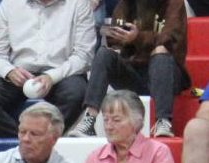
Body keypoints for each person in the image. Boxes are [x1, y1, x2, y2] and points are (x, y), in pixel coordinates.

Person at [65, 0, 189, 139]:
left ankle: (163, 121)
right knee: (104, 53)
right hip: (136, 72)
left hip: (168, 74)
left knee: (161, 53)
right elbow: (114, 38)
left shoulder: (174, 3)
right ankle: (90, 118)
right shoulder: (126, 3)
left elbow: (170, 40)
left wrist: (138, 37)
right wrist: (117, 36)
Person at [0, 0, 94, 137]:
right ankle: (24, 138)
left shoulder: (79, 4)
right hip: (19, 71)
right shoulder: (9, 4)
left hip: (61, 72)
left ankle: (45, 139)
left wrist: (52, 76)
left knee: (76, 94)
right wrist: (9, 71)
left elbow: (84, 56)